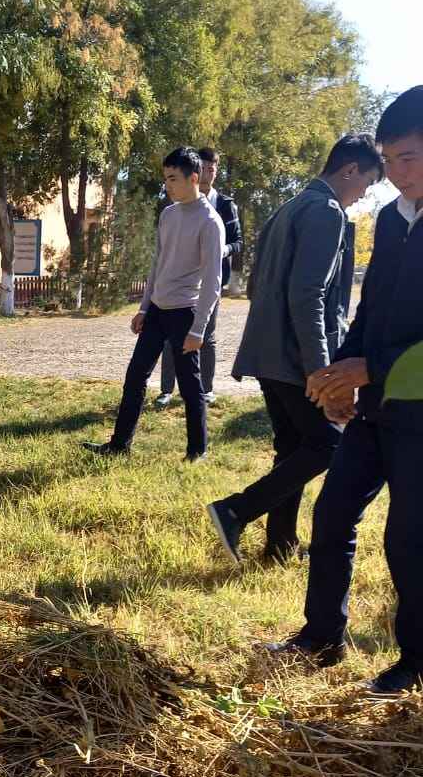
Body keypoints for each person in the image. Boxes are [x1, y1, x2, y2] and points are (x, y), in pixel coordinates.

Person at [267, 87, 423, 696]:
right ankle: (321, 636)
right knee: (331, 514)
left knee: (408, 539)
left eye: (409, 159)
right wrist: (340, 375)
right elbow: (370, 308)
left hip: (418, 414)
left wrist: (372, 369)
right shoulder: (390, 219)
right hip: (375, 409)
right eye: (391, 161)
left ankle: (414, 663)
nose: (397, 175)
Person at [206, 134, 382, 566]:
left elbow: (257, 284)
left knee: (292, 448)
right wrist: (321, 370)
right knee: (328, 444)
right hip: (296, 356)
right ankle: (235, 511)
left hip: (268, 351)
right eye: (367, 183)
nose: (364, 195)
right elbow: (310, 295)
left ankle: (280, 545)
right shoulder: (326, 212)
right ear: (350, 170)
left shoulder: (289, 207)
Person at [83, 146, 224, 463]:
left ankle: (197, 452)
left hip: (185, 314)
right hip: (157, 312)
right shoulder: (168, 215)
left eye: (173, 179)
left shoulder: (210, 222)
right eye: (166, 179)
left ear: (194, 178)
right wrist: (145, 308)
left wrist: (198, 329)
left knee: (190, 386)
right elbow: (157, 265)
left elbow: (213, 282)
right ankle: (119, 445)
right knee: (135, 377)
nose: (167, 185)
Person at [154, 147, 241, 407]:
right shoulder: (176, 204)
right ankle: (166, 389)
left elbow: (237, 242)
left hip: (210, 280)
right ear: (195, 171)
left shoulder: (224, 205)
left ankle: (206, 389)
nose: (207, 173)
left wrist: (219, 251)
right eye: (204, 167)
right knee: (171, 339)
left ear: (215, 171)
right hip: (180, 286)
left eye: (212, 169)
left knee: (206, 336)